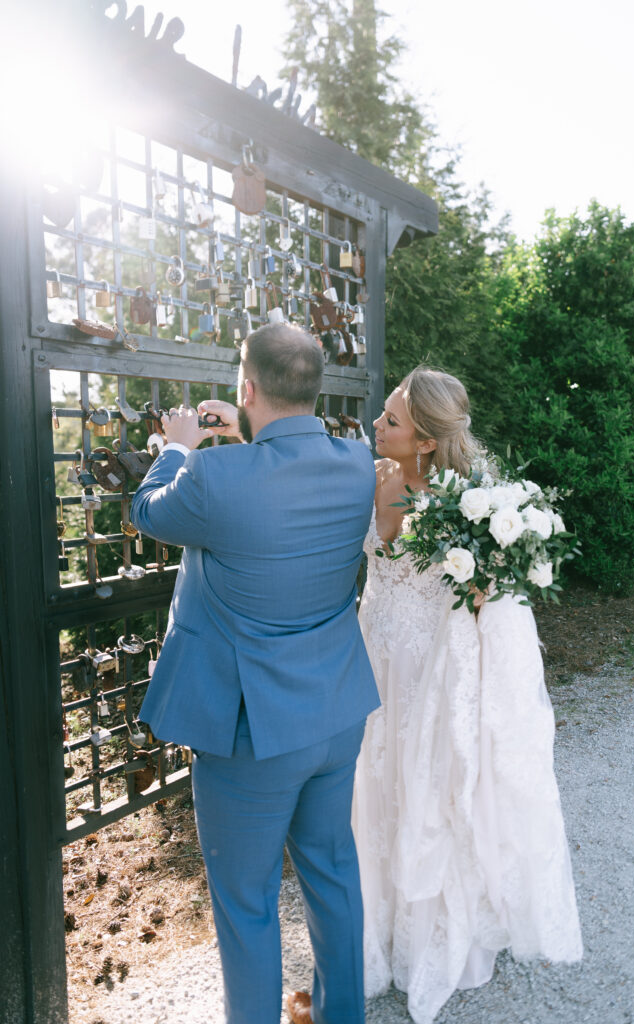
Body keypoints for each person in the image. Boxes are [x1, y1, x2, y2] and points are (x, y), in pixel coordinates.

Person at [131, 323, 379, 1024]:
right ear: (315, 385)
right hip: (334, 711)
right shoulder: (357, 463)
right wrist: (242, 441)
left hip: (251, 732)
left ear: (246, 389)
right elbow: (279, 498)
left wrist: (179, 444)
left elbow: (147, 511)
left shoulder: (211, 476)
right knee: (331, 872)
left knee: (245, 903)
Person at [351, 366, 583, 1024]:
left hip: (433, 669)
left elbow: (490, 602)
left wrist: (486, 588)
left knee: (433, 792)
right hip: (376, 660)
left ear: (425, 440)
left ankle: (437, 934)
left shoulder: (471, 502)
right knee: (378, 786)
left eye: (391, 419)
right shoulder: (370, 479)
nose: (376, 424)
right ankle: (382, 926)